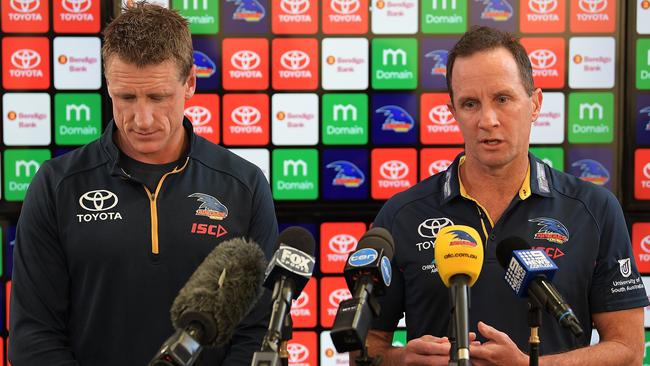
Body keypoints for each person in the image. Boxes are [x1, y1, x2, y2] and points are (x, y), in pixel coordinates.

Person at [8, 3, 277, 365]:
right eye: (126, 97)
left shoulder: (244, 185)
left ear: (190, 83)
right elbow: (33, 337)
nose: (142, 118)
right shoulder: (57, 186)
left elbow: (258, 332)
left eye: (157, 97)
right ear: (109, 87)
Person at [366, 26, 648, 366]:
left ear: (535, 103)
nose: (488, 120)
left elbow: (629, 349)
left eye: (503, 98)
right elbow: (365, 347)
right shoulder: (402, 214)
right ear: (452, 112)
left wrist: (531, 365)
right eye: (470, 103)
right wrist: (401, 361)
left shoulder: (594, 208)